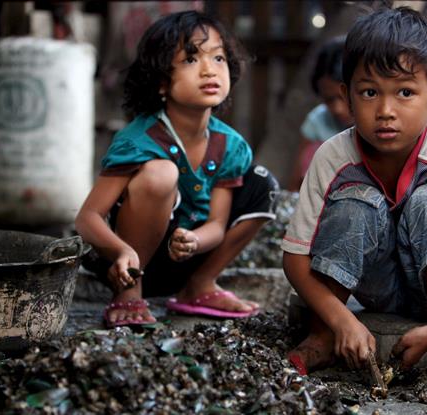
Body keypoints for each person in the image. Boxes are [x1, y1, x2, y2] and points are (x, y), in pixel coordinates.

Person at [281, 7, 427, 406]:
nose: (386, 110)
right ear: (347, 98)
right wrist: (343, 320)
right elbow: (294, 258)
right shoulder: (332, 156)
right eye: (369, 92)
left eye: (405, 92)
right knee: (359, 202)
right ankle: (322, 333)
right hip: (371, 283)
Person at [76, 10, 279, 327]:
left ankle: (199, 286)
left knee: (263, 183)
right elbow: (87, 218)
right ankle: (129, 294)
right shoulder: (138, 140)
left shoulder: (231, 145)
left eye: (219, 58)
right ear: (161, 82)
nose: (209, 70)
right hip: (127, 261)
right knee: (161, 173)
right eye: (190, 60)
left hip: (186, 257)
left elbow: (217, 224)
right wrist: (120, 251)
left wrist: (194, 241)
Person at [288, 37, 352, 191]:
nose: (338, 108)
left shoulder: (380, 124)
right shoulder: (317, 122)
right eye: (329, 100)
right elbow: (296, 186)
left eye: (345, 98)